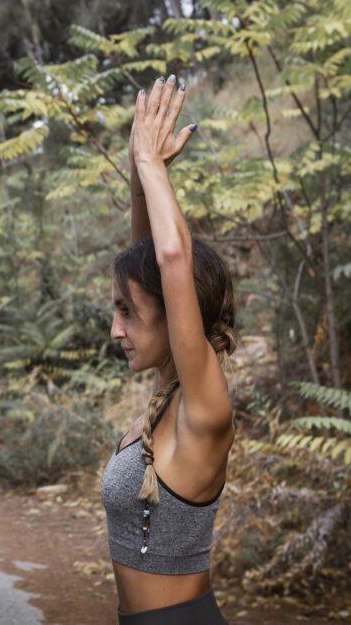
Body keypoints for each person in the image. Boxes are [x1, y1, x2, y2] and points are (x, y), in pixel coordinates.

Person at [100, 74, 237, 624]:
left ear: (176, 315)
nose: (116, 330)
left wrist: (153, 165)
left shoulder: (204, 407)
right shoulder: (169, 390)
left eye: (128, 313)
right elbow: (153, 259)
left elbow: (172, 261)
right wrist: (139, 169)